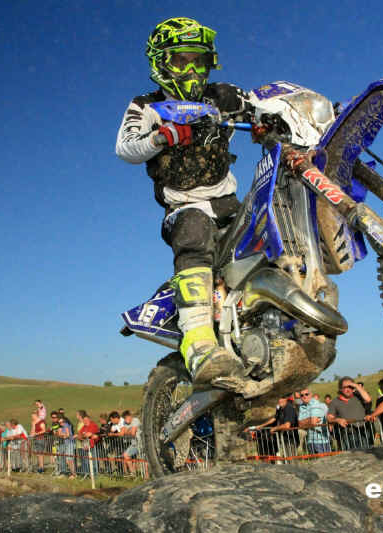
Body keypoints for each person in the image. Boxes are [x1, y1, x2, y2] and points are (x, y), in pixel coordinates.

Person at [116, 17, 254, 386]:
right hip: (183, 209)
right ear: (161, 63)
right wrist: (163, 137)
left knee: (270, 224)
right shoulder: (146, 105)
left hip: (229, 202)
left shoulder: (222, 95)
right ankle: (197, 340)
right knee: (194, 230)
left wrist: (301, 111)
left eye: (199, 60)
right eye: (181, 61)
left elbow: (262, 103)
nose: (192, 70)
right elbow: (126, 147)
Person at [327, 377, 371, 450]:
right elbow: (329, 418)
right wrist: (337, 420)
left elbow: (368, 399)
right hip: (347, 434)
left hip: (364, 432)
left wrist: (356, 385)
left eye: (350, 387)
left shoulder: (358, 396)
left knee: (367, 454)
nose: (348, 389)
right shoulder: (335, 402)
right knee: (351, 456)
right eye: (345, 387)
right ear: (340, 389)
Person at [297, 387, 331, 455]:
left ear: (311, 394)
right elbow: (300, 424)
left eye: (306, 394)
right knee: (314, 461)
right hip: (310, 440)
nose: (304, 396)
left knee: (325, 460)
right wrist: (310, 420)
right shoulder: (301, 406)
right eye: (302, 395)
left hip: (322, 440)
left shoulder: (315, 403)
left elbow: (313, 422)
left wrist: (305, 422)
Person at [120, 410, 143, 476]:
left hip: (141, 442)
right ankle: (133, 473)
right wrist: (129, 431)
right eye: (124, 418)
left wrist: (128, 431)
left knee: (144, 460)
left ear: (130, 416)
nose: (126, 420)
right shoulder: (125, 422)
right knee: (126, 455)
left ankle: (146, 477)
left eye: (126, 418)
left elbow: (133, 433)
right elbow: (123, 433)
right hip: (134, 444)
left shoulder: (135, 420)